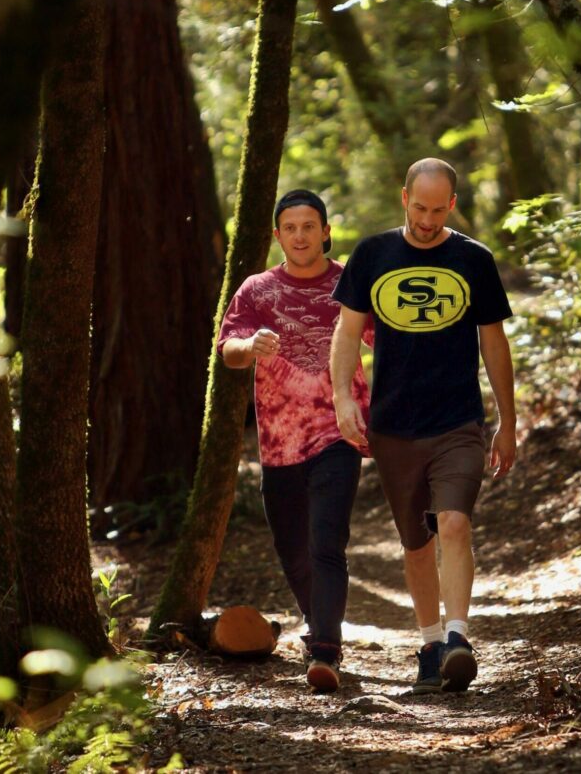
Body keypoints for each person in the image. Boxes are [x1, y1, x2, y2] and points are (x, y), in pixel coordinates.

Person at [330, 158, 516, 694]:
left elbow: (493, 343)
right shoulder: (372, 254)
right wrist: (344, 398)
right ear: (403, 196)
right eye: (420, 207)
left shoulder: (473, 260)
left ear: (451, 205)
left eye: (439, 210)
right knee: (415, 544)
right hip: (392, 425)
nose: (429, 219)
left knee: (453, 523)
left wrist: (507, 420)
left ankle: (459, 637)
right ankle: (431, 645)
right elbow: (346, 336)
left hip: (458, 421)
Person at [217, 189, 371, 694]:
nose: (301, 235)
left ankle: (325, 647)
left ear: (326, 231)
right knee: (292, 547)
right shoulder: (257, 290)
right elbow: (228, 350)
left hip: (338, 431)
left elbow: (389, 338)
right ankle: (317, 620)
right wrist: (250, 344)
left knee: (327, 540)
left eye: (310, 226)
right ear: (277, 235)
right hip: (278, 445)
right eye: (291, 227)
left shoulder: (351, 282)